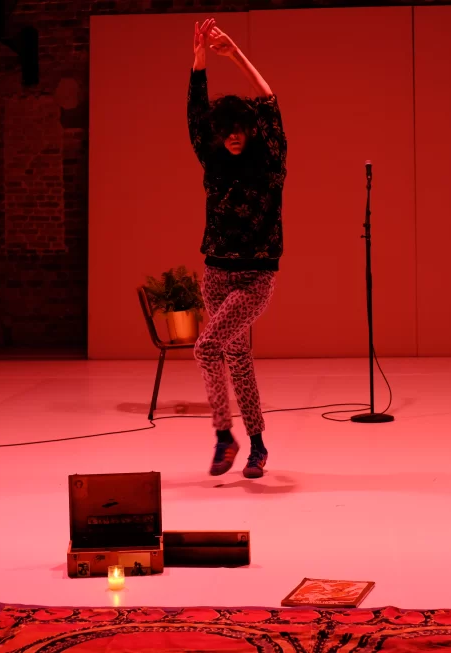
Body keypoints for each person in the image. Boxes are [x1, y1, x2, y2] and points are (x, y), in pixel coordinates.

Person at [187, 18, 286, 479]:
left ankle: (224, 435)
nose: (232, 136)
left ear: (249, 130)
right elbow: (195, 116)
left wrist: (236, 55)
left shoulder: (271, 164)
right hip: (215, 273)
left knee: (208, 347)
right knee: (238, 360)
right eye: (225, 129)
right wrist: (198, 61)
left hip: (254, 278)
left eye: (239, 129)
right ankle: (258, 446)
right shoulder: (214, 164)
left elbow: (269, 105)